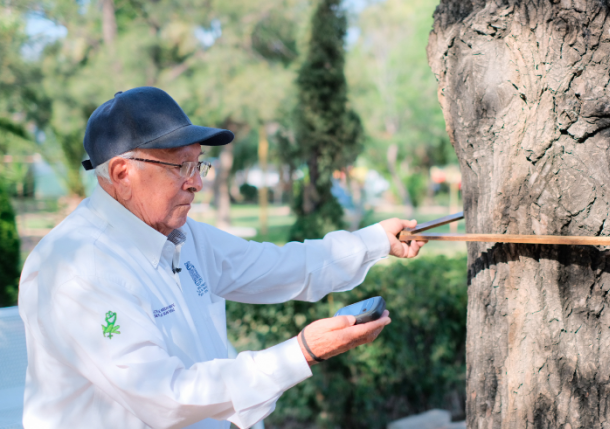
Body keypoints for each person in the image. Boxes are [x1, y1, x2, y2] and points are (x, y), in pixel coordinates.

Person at [18, 87, 426, 429]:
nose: (197, 183)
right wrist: (302, 351)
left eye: (198, 165)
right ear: (123, 174)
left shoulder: (182, 236)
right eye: (181, 166)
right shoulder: (76, 268)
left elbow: (279, 267)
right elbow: (165, 396)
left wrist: (376, 240)